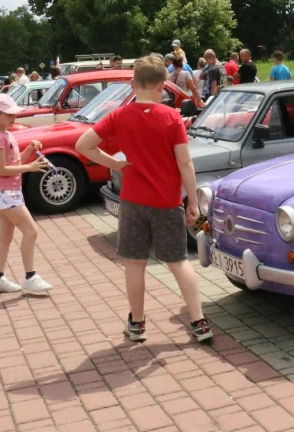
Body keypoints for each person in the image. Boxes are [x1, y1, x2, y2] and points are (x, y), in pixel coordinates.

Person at [75, 54, 213, 343]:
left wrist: (115, 164)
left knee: (135, 263)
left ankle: (137, 324)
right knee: (178, 262)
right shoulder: (172, 117)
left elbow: (83, 145)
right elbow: (185, 163)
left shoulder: (119, 115)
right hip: (167, 202)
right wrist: (192, 202)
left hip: (133, 201)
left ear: (133, 84)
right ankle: (199, 322)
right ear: (162, 85)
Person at [0, 94, 53, 293]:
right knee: (31, 232)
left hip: (7, 192)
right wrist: (30, 167)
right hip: (5, 193)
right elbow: (2, 169)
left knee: (5, 237)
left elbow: (14, 162)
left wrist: (29, 149)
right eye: (9, 114)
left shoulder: (4, 134)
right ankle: (30, 276)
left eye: (14, 114)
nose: (14, 117)